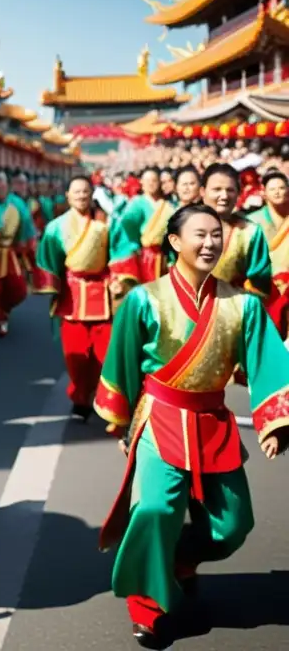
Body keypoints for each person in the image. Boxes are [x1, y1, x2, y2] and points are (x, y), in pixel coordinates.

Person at [94, 203, 289, 648]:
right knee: (154, 510)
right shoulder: (144, 299)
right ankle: (147, 608)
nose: (209, 243)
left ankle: (178, 559)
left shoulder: (243, 306)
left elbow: (268, 364)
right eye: (199, 235)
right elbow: (122, 362)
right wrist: (121, 422)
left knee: (232, 527)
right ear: (175, 242)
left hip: (212, 421)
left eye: (216, 236)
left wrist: (274, 421)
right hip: (160, 417)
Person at [32, 176, 137, 420]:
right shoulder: (55, 227)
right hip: (72, 298)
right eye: (76, 191)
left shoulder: (105, 224)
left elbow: (120, 251)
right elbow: (47, 260)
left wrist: (117, 278)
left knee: (105, 355)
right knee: (76, 358)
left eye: (85, 192)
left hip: (102, 296)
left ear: (92, 195)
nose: (81, 195)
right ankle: (80, 398)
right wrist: (51, 285)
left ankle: (107, 401)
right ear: (67, 195)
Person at [200, 163, 272, 298]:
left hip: (234, 312)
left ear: (238, 193)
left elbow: (260, 284)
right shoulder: (184, 227)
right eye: (217, 189)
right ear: (203, 192)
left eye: (230, 190)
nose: (224, 195)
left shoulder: (250, 232)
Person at [0, 171, 37, 337]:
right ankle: (0, 320)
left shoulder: (18, 203)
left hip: (11, 253)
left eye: (4, 184)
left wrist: (27, 244)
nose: (1, 187)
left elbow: (27, 226)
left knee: (19, 289)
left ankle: (5, 307)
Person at [114, 168, 175, 283]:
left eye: (154, 180)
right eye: (147, 180)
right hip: (144, 255)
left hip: (164, 255)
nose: (151, 183)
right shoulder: (137, 202)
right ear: (141, 182)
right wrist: (136, 245)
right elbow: (127, 224)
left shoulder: (166, 205)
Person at [249, 170, 289, 337]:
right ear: (263, 192)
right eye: (273, 189)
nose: (278, 192)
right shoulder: (253, 220)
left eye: (282, 187)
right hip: (265, 284)